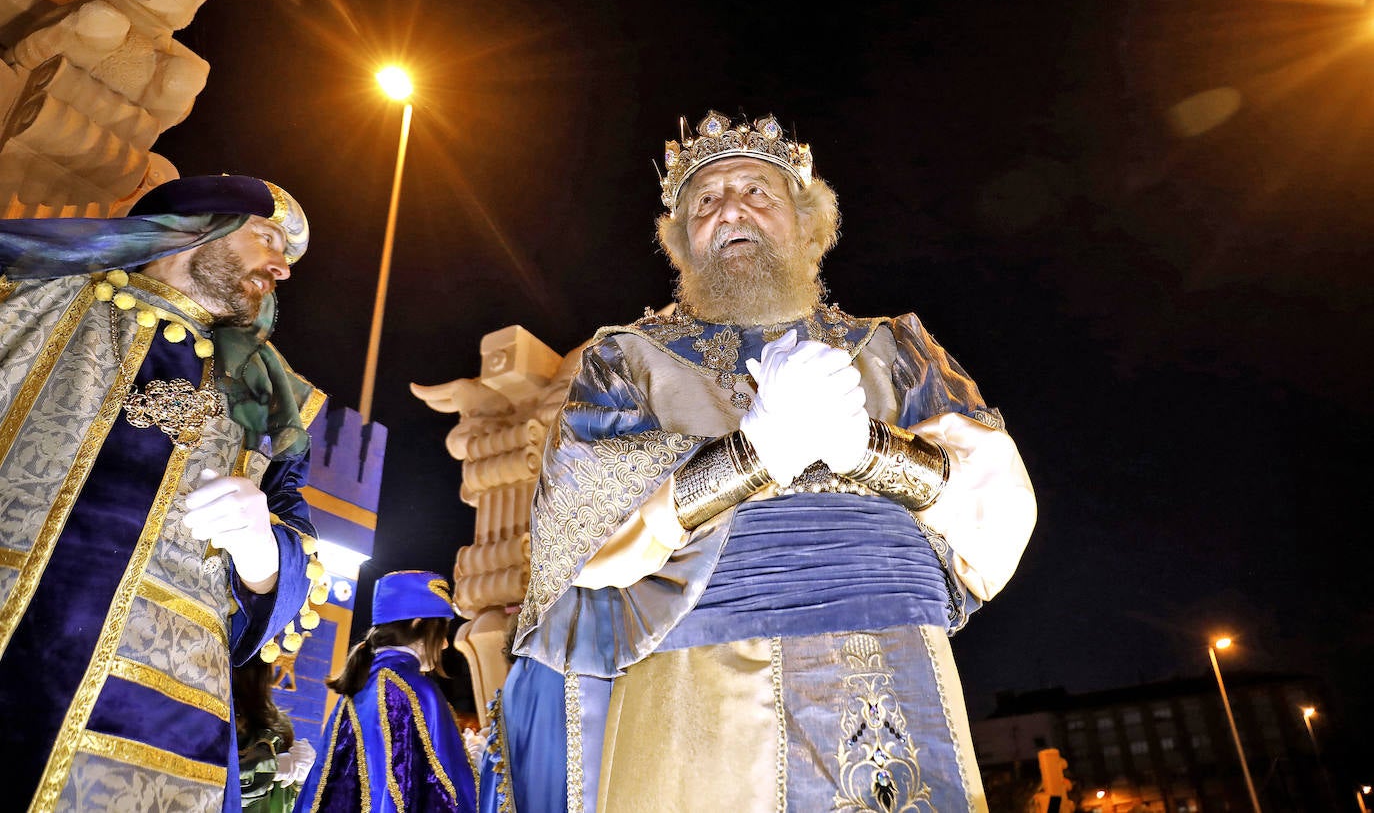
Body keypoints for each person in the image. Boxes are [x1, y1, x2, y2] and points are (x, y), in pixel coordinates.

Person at [487, 112, 1037, 812]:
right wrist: (755, 453)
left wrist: (868, 449)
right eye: (706, 201)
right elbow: (576, 524)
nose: (731, 210)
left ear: (807, 224)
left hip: (896, 658)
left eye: (757, 191)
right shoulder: (623, 359)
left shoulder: (899, 347)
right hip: (702, 680)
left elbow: (997, 509)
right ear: (683, 240)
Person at [0, 175, 322, 811]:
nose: (281, 267)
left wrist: (262, 553)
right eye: (265, 238)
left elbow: (292, 574)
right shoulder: (34, 306)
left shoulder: (277, 401)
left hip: (163, 712)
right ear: (197, 228)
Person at [298, 570, 479, 812]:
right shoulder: (414, 687)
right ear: (418, 624)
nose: (445, 644)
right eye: (442, 632)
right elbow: (447, 787)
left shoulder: (362, 683)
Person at [234, 655, 315, 813]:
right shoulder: (213, 718)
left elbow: (279, 807)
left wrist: (299, 781)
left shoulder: (277, 727)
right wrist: (270, 768)